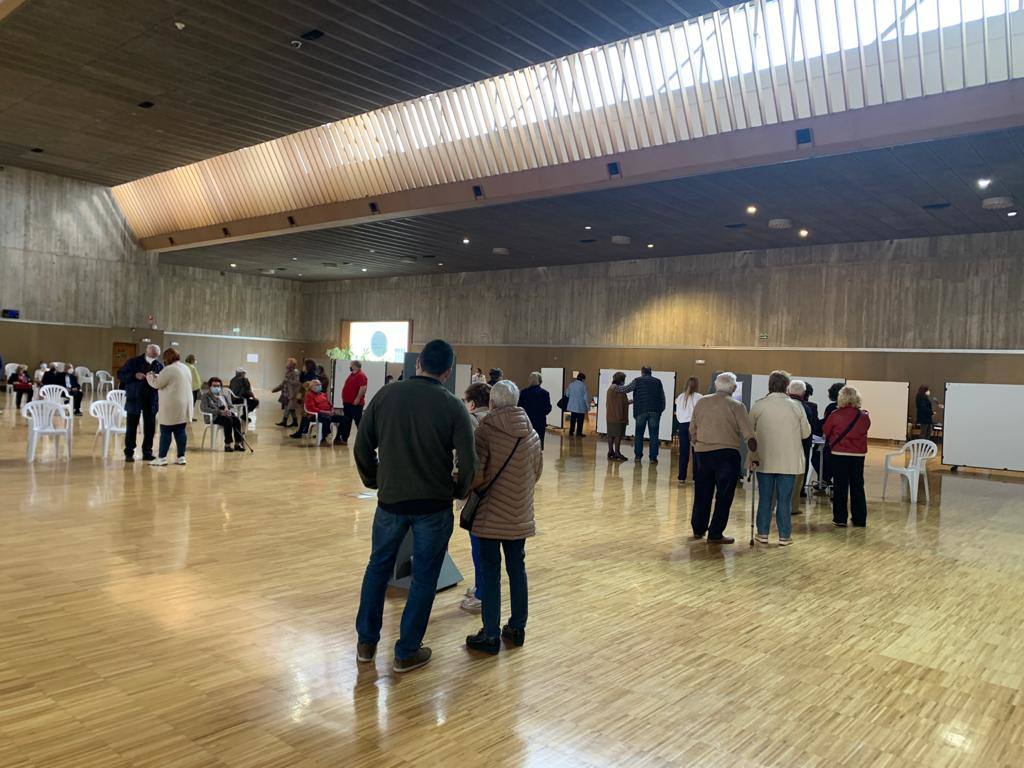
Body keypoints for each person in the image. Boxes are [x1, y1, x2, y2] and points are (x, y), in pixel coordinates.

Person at [354, 339, 478, 673]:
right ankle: (406, 651)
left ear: (418, 363)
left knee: (377, 568)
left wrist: (373, 480)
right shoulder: (453, 407)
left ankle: (366, 642)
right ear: (449, 371)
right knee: (424, 577)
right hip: (433, 506)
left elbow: (362, 446)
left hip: (391, 502)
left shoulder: (385, 395)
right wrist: (459, 489)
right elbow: (469, 461)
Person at [464, 380, 543, 655]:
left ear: (493, 403)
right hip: (520, 515)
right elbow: (537, 472)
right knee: (517, 570)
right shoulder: (531, 434)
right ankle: (517, 628)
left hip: (489, 516)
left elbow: (478, 474)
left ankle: (490, 633)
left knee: (490, 573)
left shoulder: (485, 431)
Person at [689, 372, 758, 545]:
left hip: (702, 454)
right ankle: (715, 533)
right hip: (727, 455)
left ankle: (698, 529)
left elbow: (692, 428)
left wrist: (697, 443)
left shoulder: (702, 402)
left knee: (702, 492)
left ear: (715, 385)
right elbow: (749, 435)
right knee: (724, 495)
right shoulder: (737, 405)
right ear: (734, 388)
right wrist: (754, 455)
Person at [750, 371, 811, 546]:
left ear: (769, 384)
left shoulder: (759, 405)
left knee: (765, 498)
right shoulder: (796, 406)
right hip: (789, 461)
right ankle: (784, 536)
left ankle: (762, 534)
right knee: (785, 499)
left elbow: (749, 431)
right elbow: (806, 433)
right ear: (786, 386)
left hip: (765, 459)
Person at [458, 381, 491, 614]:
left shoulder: (472, 421)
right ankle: (482, 587)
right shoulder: (503, 421)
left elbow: (465, 459)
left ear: (471, 402)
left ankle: (482, 593)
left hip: (478, 493)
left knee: (478, 544)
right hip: (502, 493)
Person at [824, 386, 871, 528]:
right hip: (858, 454)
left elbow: (826, 430)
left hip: (839, 453)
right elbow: (865, 429)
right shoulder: (864, 416)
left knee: (840, 486)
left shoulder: (835, 414)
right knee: (858, 486)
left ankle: (840, 518)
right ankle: (859, 518)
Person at [145, 348, 193, 467]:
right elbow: (172, 380)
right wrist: (159, 376)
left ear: (167, 358)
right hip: (185, 403)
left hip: (171, 405)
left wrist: (149, 376)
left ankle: (162, 458)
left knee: (166, 431)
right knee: (180, 431)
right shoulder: (185, 367)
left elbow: (157, 384)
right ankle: (181, 457)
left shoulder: (169, 369)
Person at [119, 344, 163, 463]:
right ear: (147, 352)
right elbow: (121, 375)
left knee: (150, 427)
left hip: (151, 399)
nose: (154, 359)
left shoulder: (159, 365)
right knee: (131, 427)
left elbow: (162, 381)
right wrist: (134, 375)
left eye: (156, 356)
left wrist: (157, 378)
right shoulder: (133, 362)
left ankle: (147, 452)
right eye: (152, 356)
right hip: (135, 398)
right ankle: (129, 452)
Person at [614, 367, 666, 464]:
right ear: (651, 372)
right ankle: (653, 458)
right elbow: (662, 398)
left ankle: (638, 456)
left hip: (641, 411)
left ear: (642, 372)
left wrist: (615, 387)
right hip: (655, 411)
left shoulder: (637, 380)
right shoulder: (658, 382)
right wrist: (660, 410)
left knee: (639, 435)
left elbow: (626, 389)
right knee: (654, 435)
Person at [787, 380, 819, 498]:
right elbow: (813, 427)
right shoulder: (810, 407)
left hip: (787, 442)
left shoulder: (785, 405)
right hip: (804, 442)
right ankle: (800, 490)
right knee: (802, 466)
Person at [201, 377, 246, 452]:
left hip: (225, 414)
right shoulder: (206, 396)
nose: (216, 388)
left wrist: (227, 409)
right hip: (214, 417)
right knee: (228, 420)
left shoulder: (223, 395)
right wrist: (219, 412)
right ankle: (227, 445)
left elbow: (231, 406)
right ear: (210, 386)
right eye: (214, 386)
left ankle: (238, 443)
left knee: (236, 420)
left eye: (218, 386)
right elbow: (204, 408)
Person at [292, 379, 336, 446]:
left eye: (320, 385)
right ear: (312, 387)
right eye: (317, 385)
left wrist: (332, 409)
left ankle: (339, 438)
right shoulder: (309, 395)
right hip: (318, 414)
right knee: (325, 419)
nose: (320, 386)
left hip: (328, 413)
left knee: (344, 419)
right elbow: (311, 408)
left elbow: (329, 404)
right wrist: (326, 412)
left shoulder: (323, 394)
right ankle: (324, 437)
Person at [675, 376, 702, 483]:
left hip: (682, 426)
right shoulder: (699, 397)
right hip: (694, 426)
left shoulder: (680, 397)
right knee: (696, 452)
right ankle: (696, 477)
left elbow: (678, 413)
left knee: (683, 452)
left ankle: (682, 477)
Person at [517, 372, 552, 449]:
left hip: (526, 421)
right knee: (539, 442)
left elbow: (519, 407)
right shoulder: (545, 393)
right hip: (540, 421)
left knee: (526, 443)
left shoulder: (524, 392)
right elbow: (548, 409)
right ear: (540, 381)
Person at [337, 360, 368, 446]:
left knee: (358, 421)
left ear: (354, 366)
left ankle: (364, 440)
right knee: (347, 421)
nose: (350, 366)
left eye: (351, 365)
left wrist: (358, 398)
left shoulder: (361, 375)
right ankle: (344, 439)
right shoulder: (352, 375)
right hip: (347, 403)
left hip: (355, 404)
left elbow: (363, 387)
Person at [605, 372, 629, 461]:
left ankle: (610, 451)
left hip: (610, 415)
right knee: (618, 435)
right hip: (619, 416)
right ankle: (617, 453)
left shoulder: (610, 388)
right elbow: (622, 403)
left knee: (611, 435)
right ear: (621, 380)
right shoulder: (619, 389)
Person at [272, 358, 300, 427]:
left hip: (292, 394)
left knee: (288, 407)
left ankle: (284, 421)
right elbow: (283, 383)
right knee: (290, 409)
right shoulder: (288, 372)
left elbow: (297, 383)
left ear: (293, 365)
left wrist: (289, 380)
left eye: (289, 364)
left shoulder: (295, 373)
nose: (287, 366)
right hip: (286, 393)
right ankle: (294, 422)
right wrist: (276, 389)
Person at [565, 372, 589, 437]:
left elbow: (567, 394)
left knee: (572, 419)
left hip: (572, 406)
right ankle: (579, 433)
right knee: (580, 421)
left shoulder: (571, 384)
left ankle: (571, 432)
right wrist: (588, 407)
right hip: (580, 406)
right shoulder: (583, 386)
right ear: (583, 379)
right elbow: (585, 397)